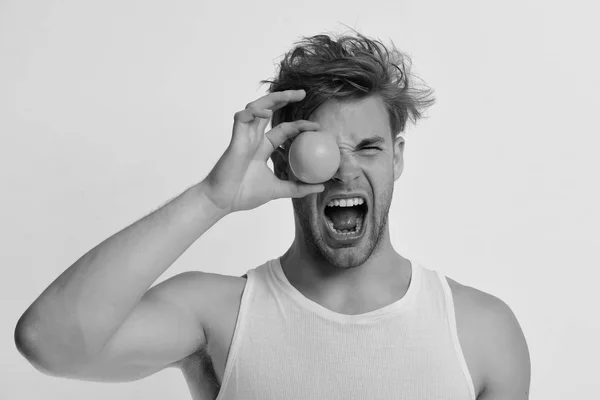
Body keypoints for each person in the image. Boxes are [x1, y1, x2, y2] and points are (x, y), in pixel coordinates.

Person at [14, 30, 531, 400]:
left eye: (368, 148)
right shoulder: (217, 315)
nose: (344, 171)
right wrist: (212, 198)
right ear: (285, 157)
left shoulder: (482, 332)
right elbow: (47, 342)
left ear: (397, 157)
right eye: (324, 147)